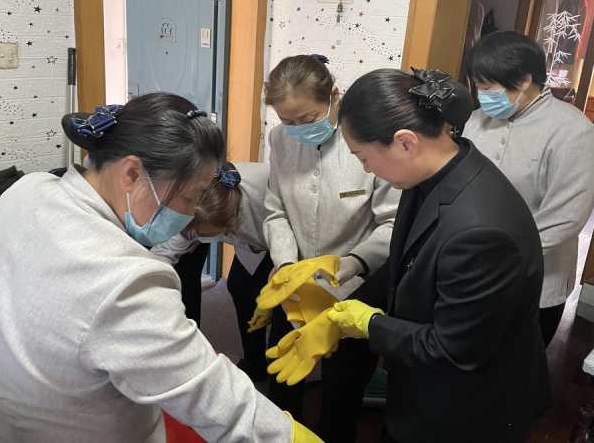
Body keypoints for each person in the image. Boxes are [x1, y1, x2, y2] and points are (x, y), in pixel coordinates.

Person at [0, 93, 321, 443]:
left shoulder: (24, 191)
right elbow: (221, 404)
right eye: (190, 197)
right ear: (132, 173)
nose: (189, 213)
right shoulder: (125, 283)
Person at [319, 68, 551, 442]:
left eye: (363, 157)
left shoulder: (481, 232)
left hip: (471, 406)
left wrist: (369, 324)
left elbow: (452, 349)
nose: (367, 170)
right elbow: (410, 261)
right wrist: (350, 280)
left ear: (405, 142)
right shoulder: (436, 171)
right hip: (426, 384)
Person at [256, 54, 401, 440]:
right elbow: (276, 210)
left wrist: (351, 262)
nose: (297, 130)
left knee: (342, 391)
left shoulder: (368, 142)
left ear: (334, 97)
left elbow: (393, 223)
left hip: (352, 289)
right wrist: (285, 264)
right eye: (287, 121)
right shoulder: (280, 140)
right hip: (295, 286)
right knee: (284, 377)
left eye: (307, 118)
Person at [463, 31, 594, 346]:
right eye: (478, 87)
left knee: (518, 362)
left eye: (487, 87)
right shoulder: (476, 120)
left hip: (535, 280)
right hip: (472, 270)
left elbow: (566, 216)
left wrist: (498, 256)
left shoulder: (573, 131)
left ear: (525, 80)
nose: (482, 96)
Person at [151, 161, 273, 381]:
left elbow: (291, 241)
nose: (199, 238)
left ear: (228, 223)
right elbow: (166, 252)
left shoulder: (264, 197)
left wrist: (277, 278)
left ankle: (278, 377)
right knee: (240, 287)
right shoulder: (195, 206)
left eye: (207, 234)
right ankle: (255, 363)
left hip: (285, 233)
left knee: (279, 308)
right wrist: (145, 279)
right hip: (250, 239)